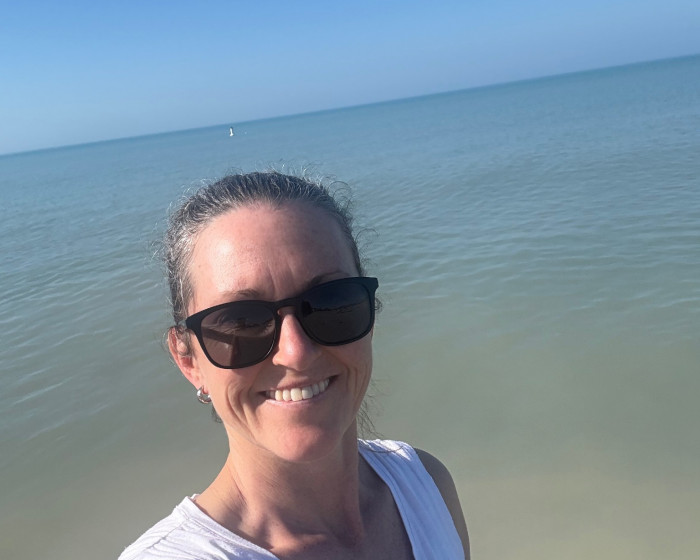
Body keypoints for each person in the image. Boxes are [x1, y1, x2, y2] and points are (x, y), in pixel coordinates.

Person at [119, 171, 470, 559]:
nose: (296, 352)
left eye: (331, 302)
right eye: (242, 321)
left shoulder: (422, 484)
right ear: (189, 361)